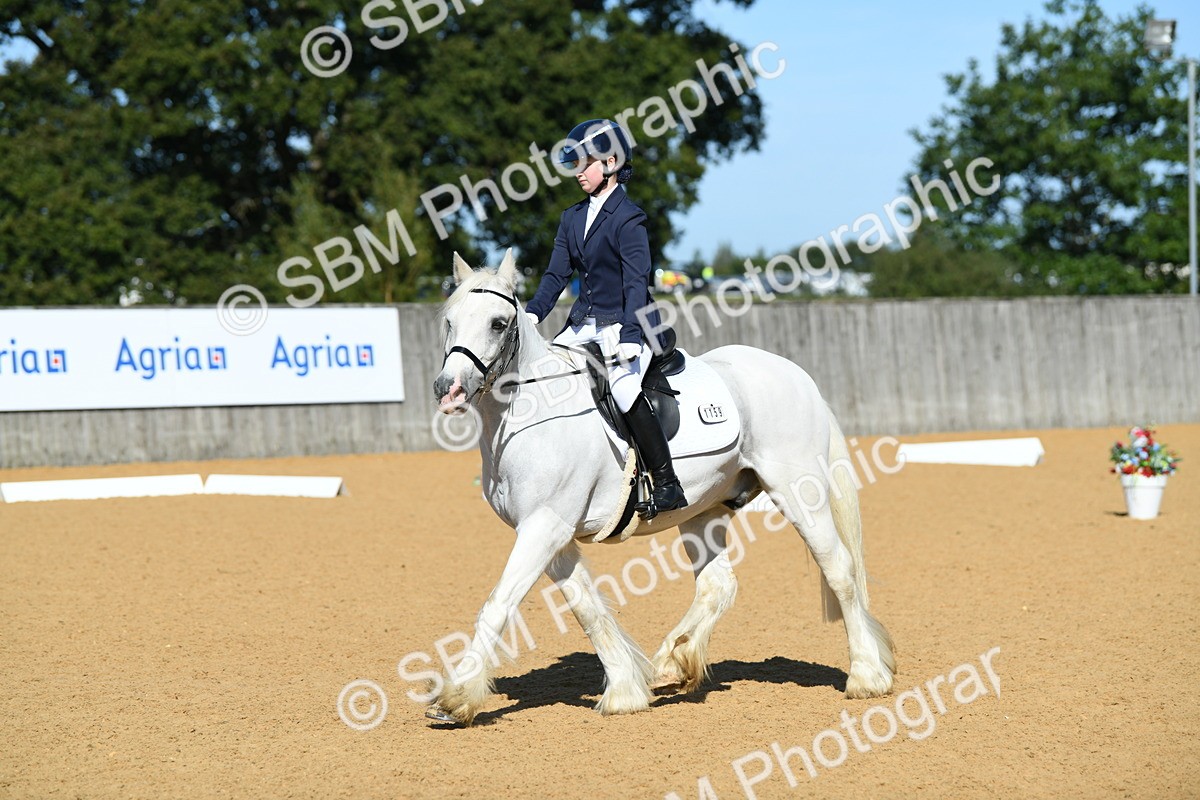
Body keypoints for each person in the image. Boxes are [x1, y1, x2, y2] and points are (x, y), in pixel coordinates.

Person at [524, 119, 687, 518]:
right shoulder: (571, 218)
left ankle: (667, 483)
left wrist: (632, 333)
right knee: (543, 375)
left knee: (624, 388)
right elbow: (556, 275)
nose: (578, 171)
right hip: (584, 323)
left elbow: (637, 282)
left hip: (630, 324)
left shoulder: (629, 218)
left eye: (585, 163)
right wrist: (532, 312)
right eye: (575, 163)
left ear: (611, 162)